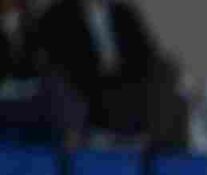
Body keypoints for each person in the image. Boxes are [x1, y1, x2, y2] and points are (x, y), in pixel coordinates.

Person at [33, 0, 187, 147]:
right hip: (85, 89)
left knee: (166, 77)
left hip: (127, 87)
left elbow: (147, 56)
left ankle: (160, 158)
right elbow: (56, 61)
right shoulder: (58, 15)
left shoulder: (124, 13)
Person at [0, 0, 86, 144]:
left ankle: (72, 146)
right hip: (3, 87)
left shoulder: (36, 21)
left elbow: (45, 59)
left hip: (29, 87)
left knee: (58, 87)